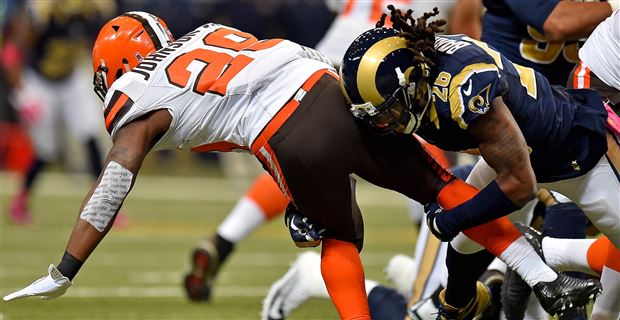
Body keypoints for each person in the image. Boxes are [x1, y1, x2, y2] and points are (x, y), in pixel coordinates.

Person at [2, 12, 599, 320]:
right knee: (444, 188)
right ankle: (549, 279)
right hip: (332, 85)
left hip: (291, 133)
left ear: (114, 66)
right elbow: (264, 73)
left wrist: (67, 266)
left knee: (337, 236)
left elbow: (115, 180)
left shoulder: (137, 95)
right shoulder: (207, 33)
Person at [338, 5, 619, 319]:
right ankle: (458, 304)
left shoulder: (462, 87)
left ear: (415, 80)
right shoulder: (422, 72)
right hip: (515, 149)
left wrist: (451, 219)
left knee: (460, 222)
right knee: (464, 239)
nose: (388, 122)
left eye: (391, 110)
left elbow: (519, 185)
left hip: (575, 152)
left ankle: (586, 298)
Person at [184, 0, 464, 302]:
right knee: (423, 165)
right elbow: (462, 39)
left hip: (323, 65)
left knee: (301, 167)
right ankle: (432, 269)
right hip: (381, 75)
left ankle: (224, 239)